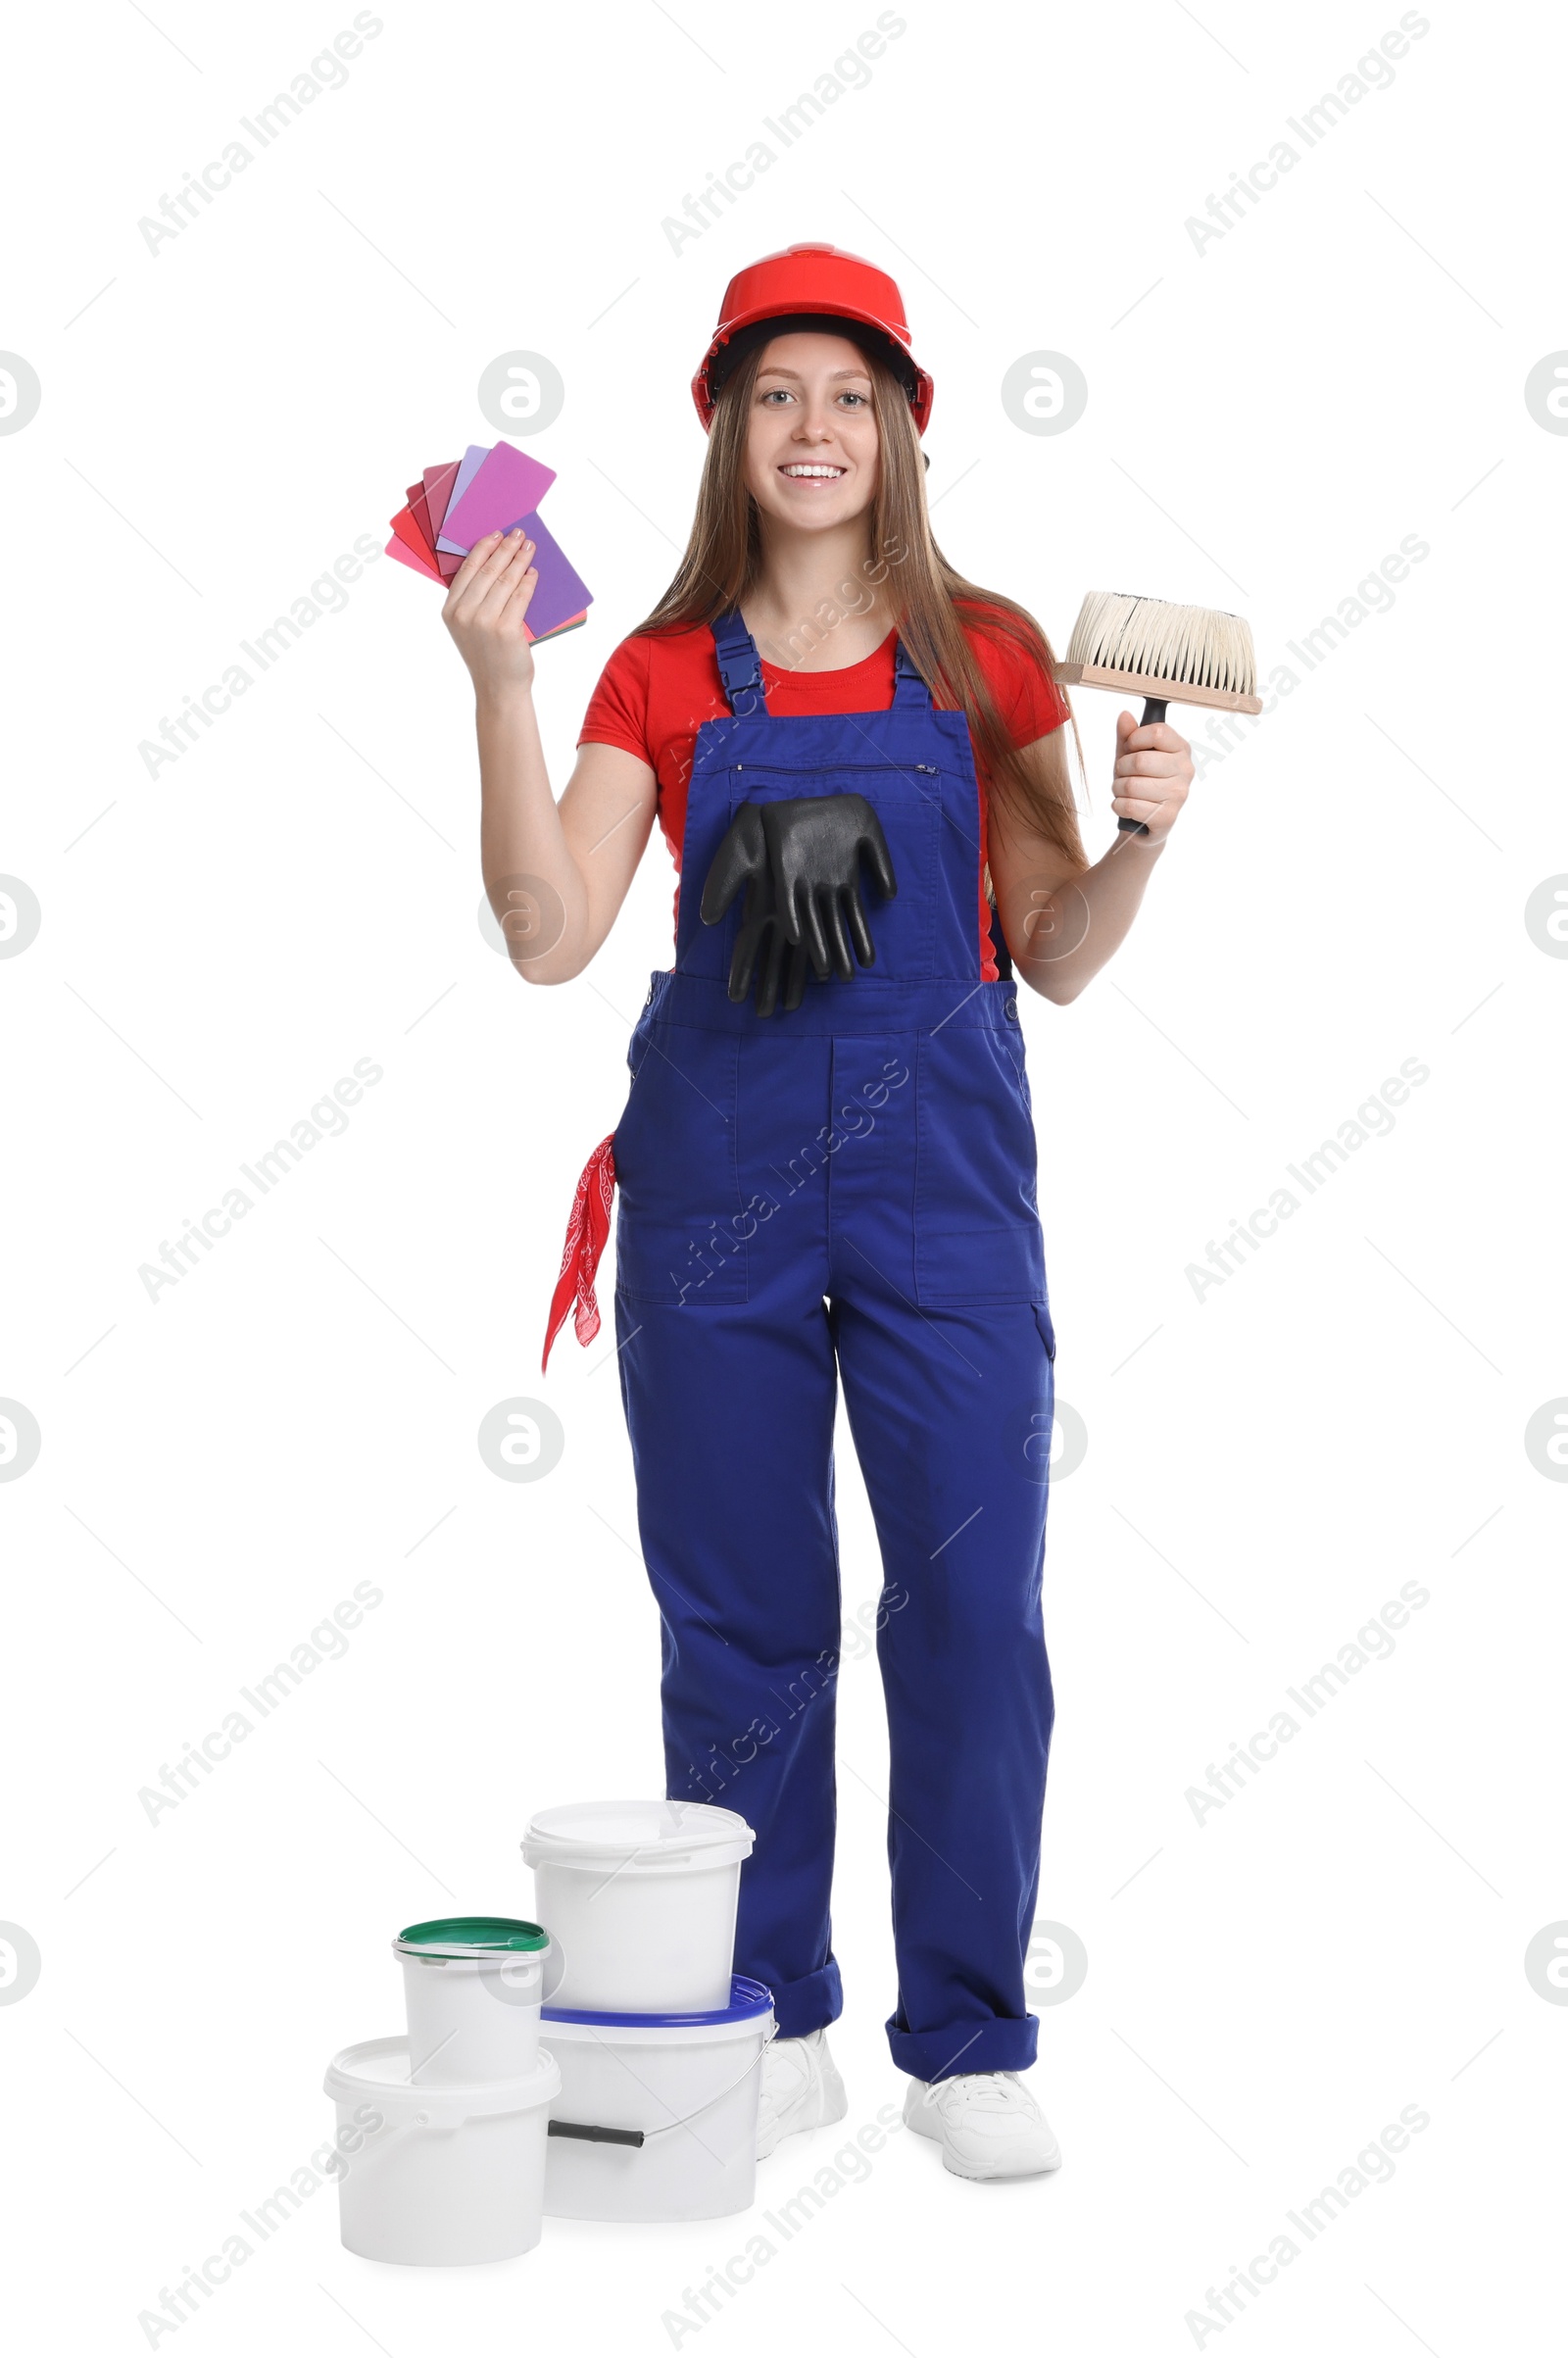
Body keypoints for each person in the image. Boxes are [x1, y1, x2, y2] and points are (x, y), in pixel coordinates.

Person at [442, 243, 1194, 2182]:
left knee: (968, 1608)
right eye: (772, 392)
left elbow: (1053, 955)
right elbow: (546, 939)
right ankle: (769, 2010)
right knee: (744, 1619)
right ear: (723, 427)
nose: (810, 427)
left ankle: (963, 2038)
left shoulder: (987, 656)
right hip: (717, 1201)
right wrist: (499, 686)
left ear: (902, 428)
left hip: (941, 1200)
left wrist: (1138, 837)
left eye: (846, 393)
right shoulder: (660, 671)